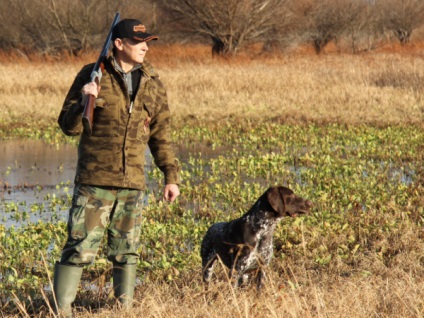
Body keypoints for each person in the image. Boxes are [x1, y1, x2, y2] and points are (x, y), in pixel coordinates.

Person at [54, 18, 180, 316]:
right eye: (139, 42)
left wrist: (170, 177)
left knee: (126, 252)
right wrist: (84, 99)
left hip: (133, 182)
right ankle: (61, 311)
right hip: (95, 180)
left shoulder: (153, 83)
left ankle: (124, 310)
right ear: (119, 44)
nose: (146, 47)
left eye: (148, 42)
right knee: (79, 248)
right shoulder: (92, 74)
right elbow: (67, 126)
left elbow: (161, 135)